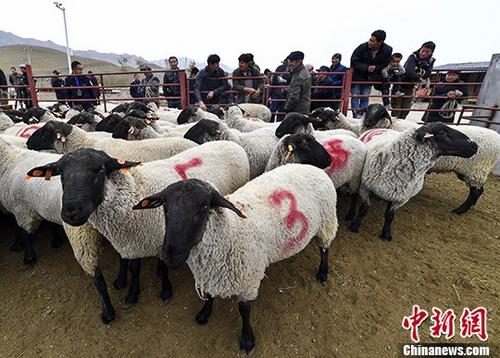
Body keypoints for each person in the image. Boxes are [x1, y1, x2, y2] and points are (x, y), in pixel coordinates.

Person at [350, 30, 392, 118]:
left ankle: (363, 116)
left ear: (380, 42)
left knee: (365, 96)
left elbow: (386, 63)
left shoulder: (387, 50)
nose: (370, 42)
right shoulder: (362, 47)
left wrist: (376, 68)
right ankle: (356, 115)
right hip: (357, 75)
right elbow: (354, 61)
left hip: (370, 77)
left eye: (373, 41)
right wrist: (366, 67)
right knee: (355, 96)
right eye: (370, 39)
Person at [391, 41, 436, 119]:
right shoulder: (413, 57)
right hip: (400, 85)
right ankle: (394, 126)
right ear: (420, 49)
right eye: (423, 50)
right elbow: (408, 70)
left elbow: (428, 73)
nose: (423, 53)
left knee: (406, 109)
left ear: (431, 52)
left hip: (411, 87)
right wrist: (418, 77)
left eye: (427, 52)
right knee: (396, 109)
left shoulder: (431, 61)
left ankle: (400, 124)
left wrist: (418, 73)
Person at [284, 51, 311, 116]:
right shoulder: (305, 73)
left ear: (299, 61)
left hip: (296, 112)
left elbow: (294, 97)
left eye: (292, 61)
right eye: (289, 61)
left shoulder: (298, 77)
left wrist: (287, 108)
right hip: (304, 109)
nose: (289, 64)